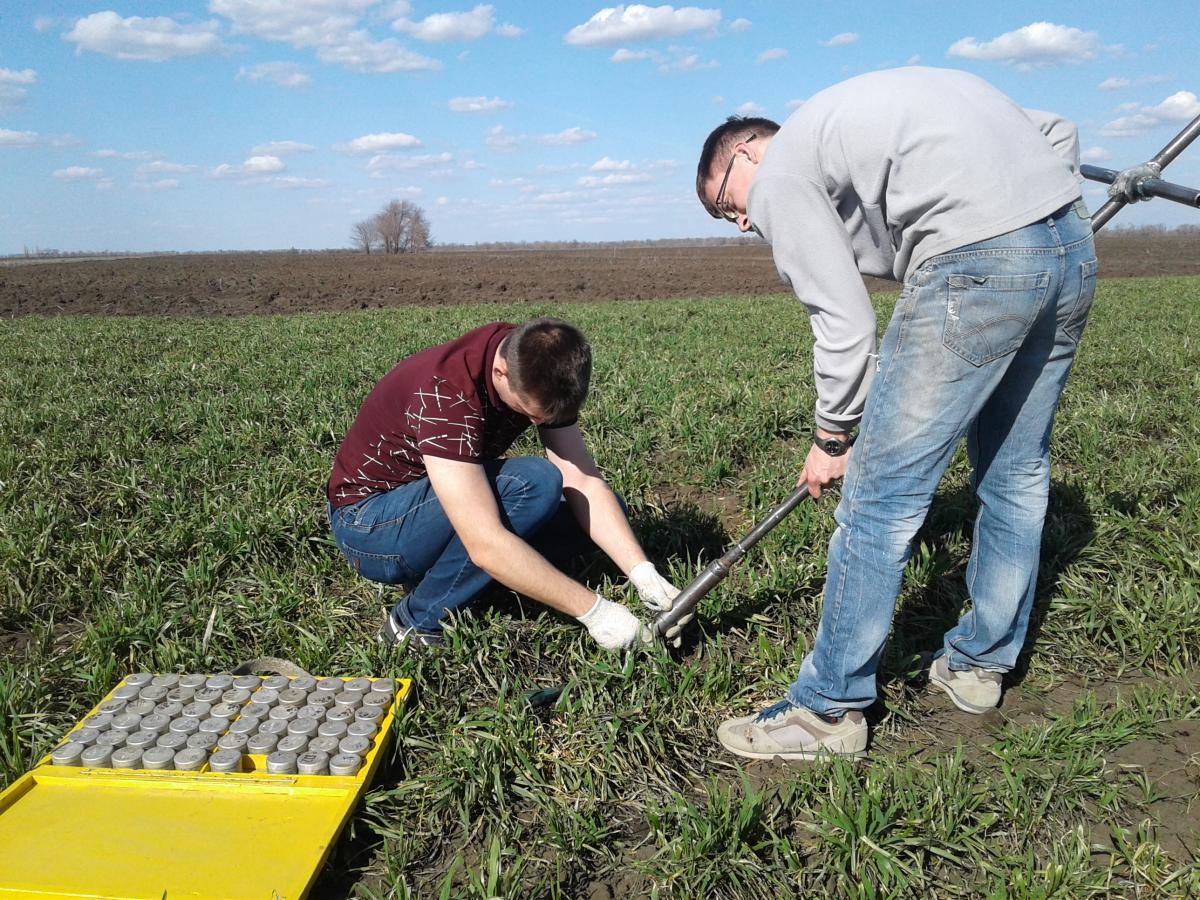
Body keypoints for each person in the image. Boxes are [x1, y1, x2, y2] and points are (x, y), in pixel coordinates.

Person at [695, 66, 1097, 759]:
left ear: (750, 152)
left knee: (878, 501)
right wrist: (1036, 223)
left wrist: (832, 435)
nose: (739, 221)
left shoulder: (782, 167)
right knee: (1016, 474)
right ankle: (979, 665)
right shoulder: (863, 110)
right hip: (1070, 251)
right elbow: (1058, 128)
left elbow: (846, 322)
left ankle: (826, 712)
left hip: (975, 267)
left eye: (727, 201)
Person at [327, 317, 688, 652]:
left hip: (442, 502)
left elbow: (583, 481)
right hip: (370, 527)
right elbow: (484, 543)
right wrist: (595, 613)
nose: (534, 421)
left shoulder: (537, 364)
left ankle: (477, 580)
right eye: (529, 413)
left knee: (597, 518)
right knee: (533, 484)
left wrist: (642, 572)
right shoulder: (446, 392)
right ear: (500, 373)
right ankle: (414, 621)